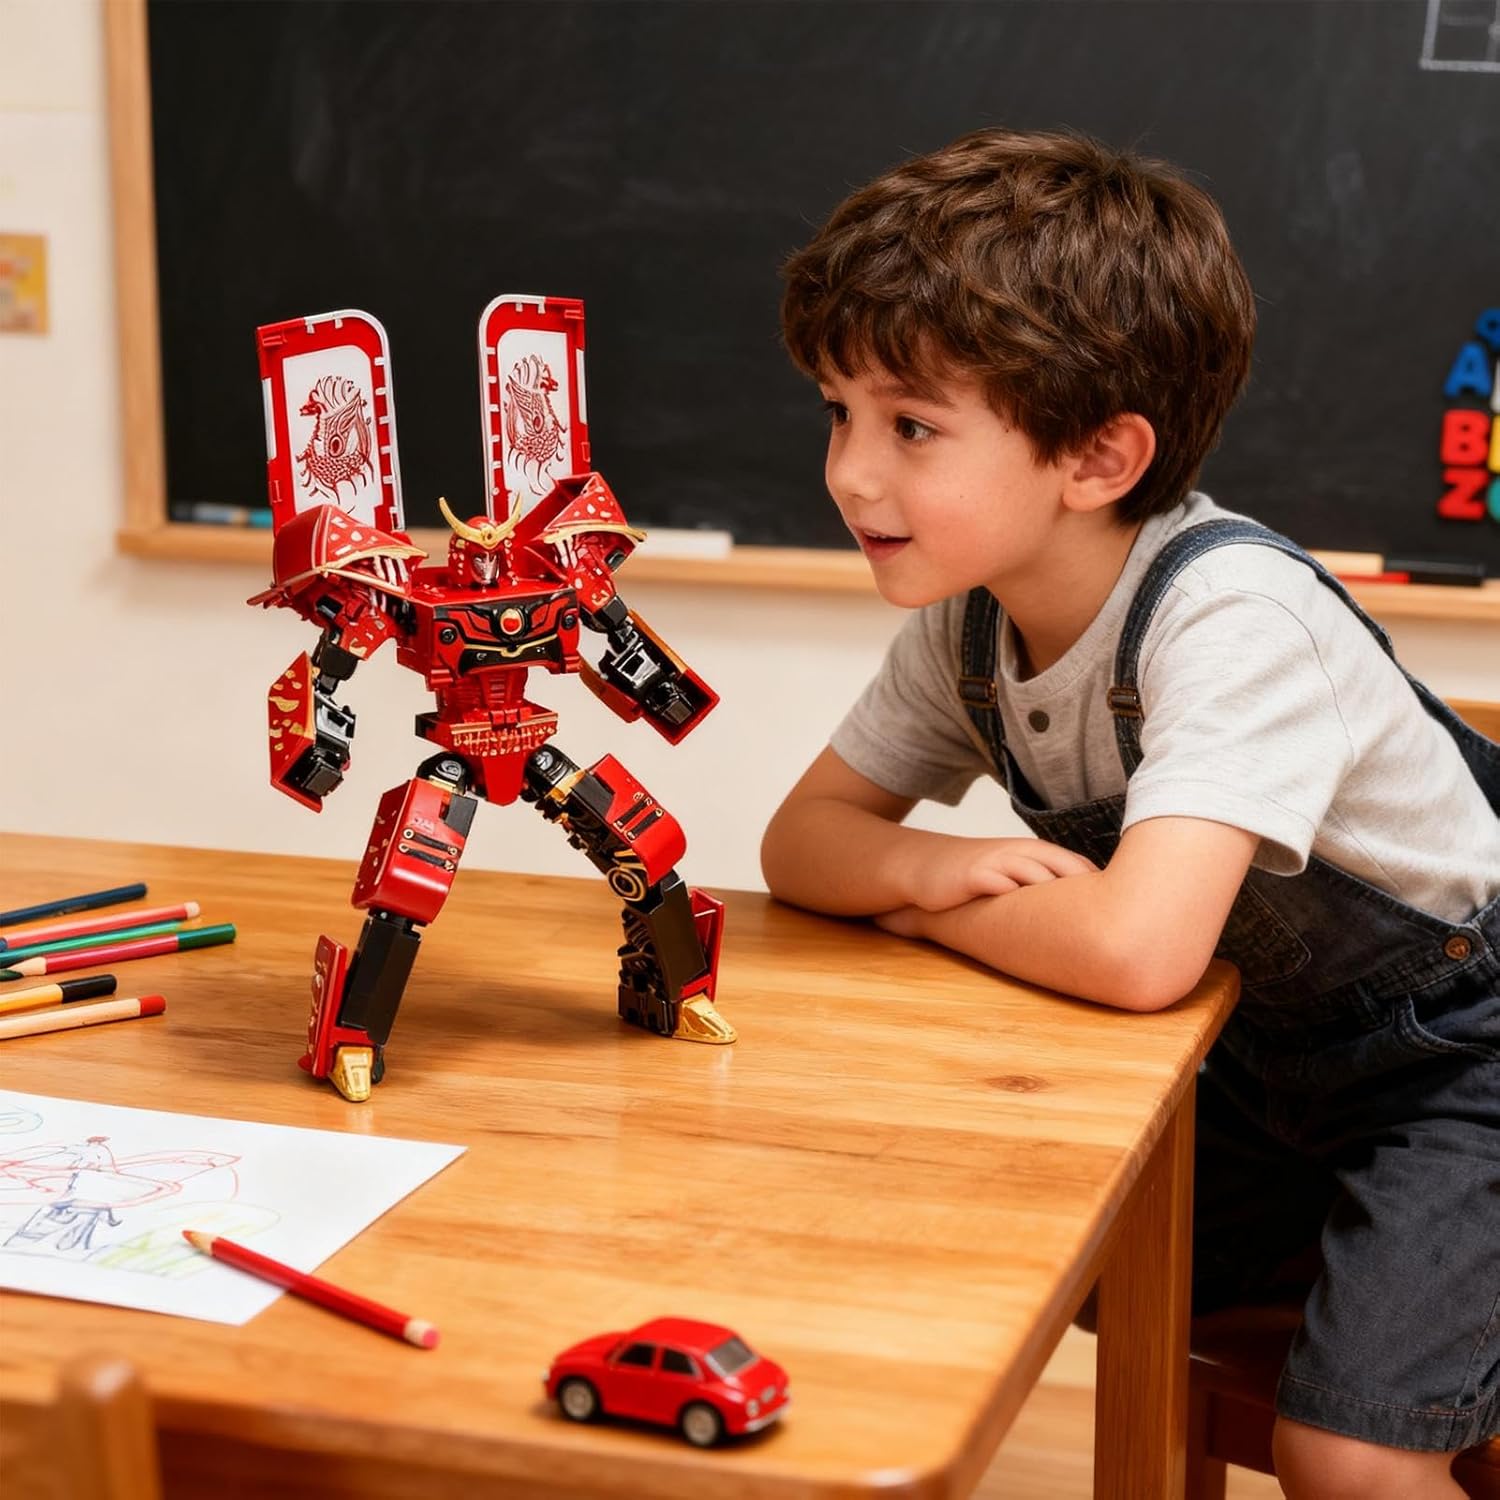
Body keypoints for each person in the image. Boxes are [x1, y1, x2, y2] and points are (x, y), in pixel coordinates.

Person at [760, 127, 1500, 1500]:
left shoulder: (1232, 620)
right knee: (1052, 1256)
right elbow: (801, 842)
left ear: (1098, 457)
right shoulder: (968, 624)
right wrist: (937, 869)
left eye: (910, 426)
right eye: (836, 412)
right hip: (1274, 1074)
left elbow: (1137, 953)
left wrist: (923, 902)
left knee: (1343, 1455)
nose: (851, 473)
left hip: (1467, 1072)